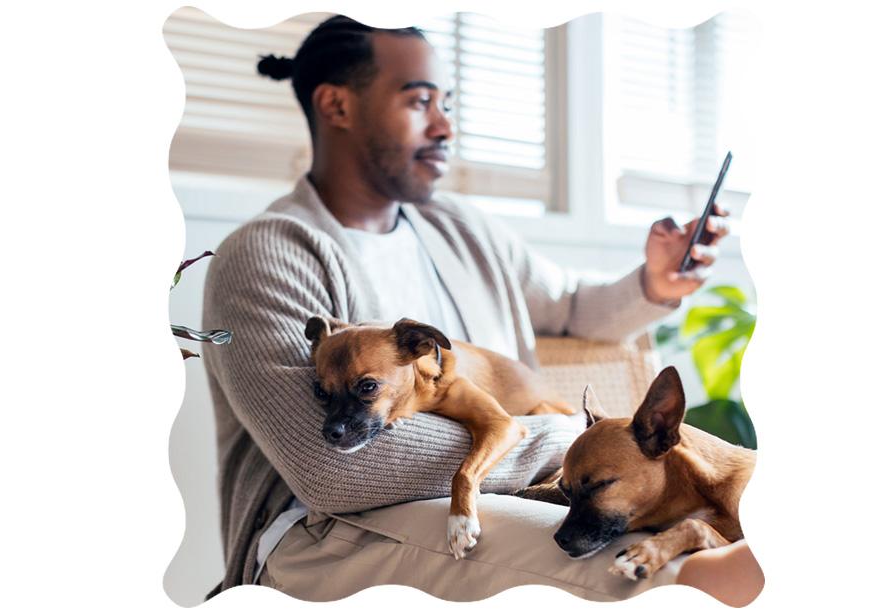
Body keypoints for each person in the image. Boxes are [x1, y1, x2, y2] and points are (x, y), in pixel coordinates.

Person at [201, 15, 742, 602]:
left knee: (695, 536)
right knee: (661, 574)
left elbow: (569, 307)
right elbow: (332, 468)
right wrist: (554, 443)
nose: (444, 125)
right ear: (337, 106)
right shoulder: (263, 257)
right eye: (421, 102)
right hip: (321, 533)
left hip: (496, 495)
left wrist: (655, 283)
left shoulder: (458, 226)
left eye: (448, 103)